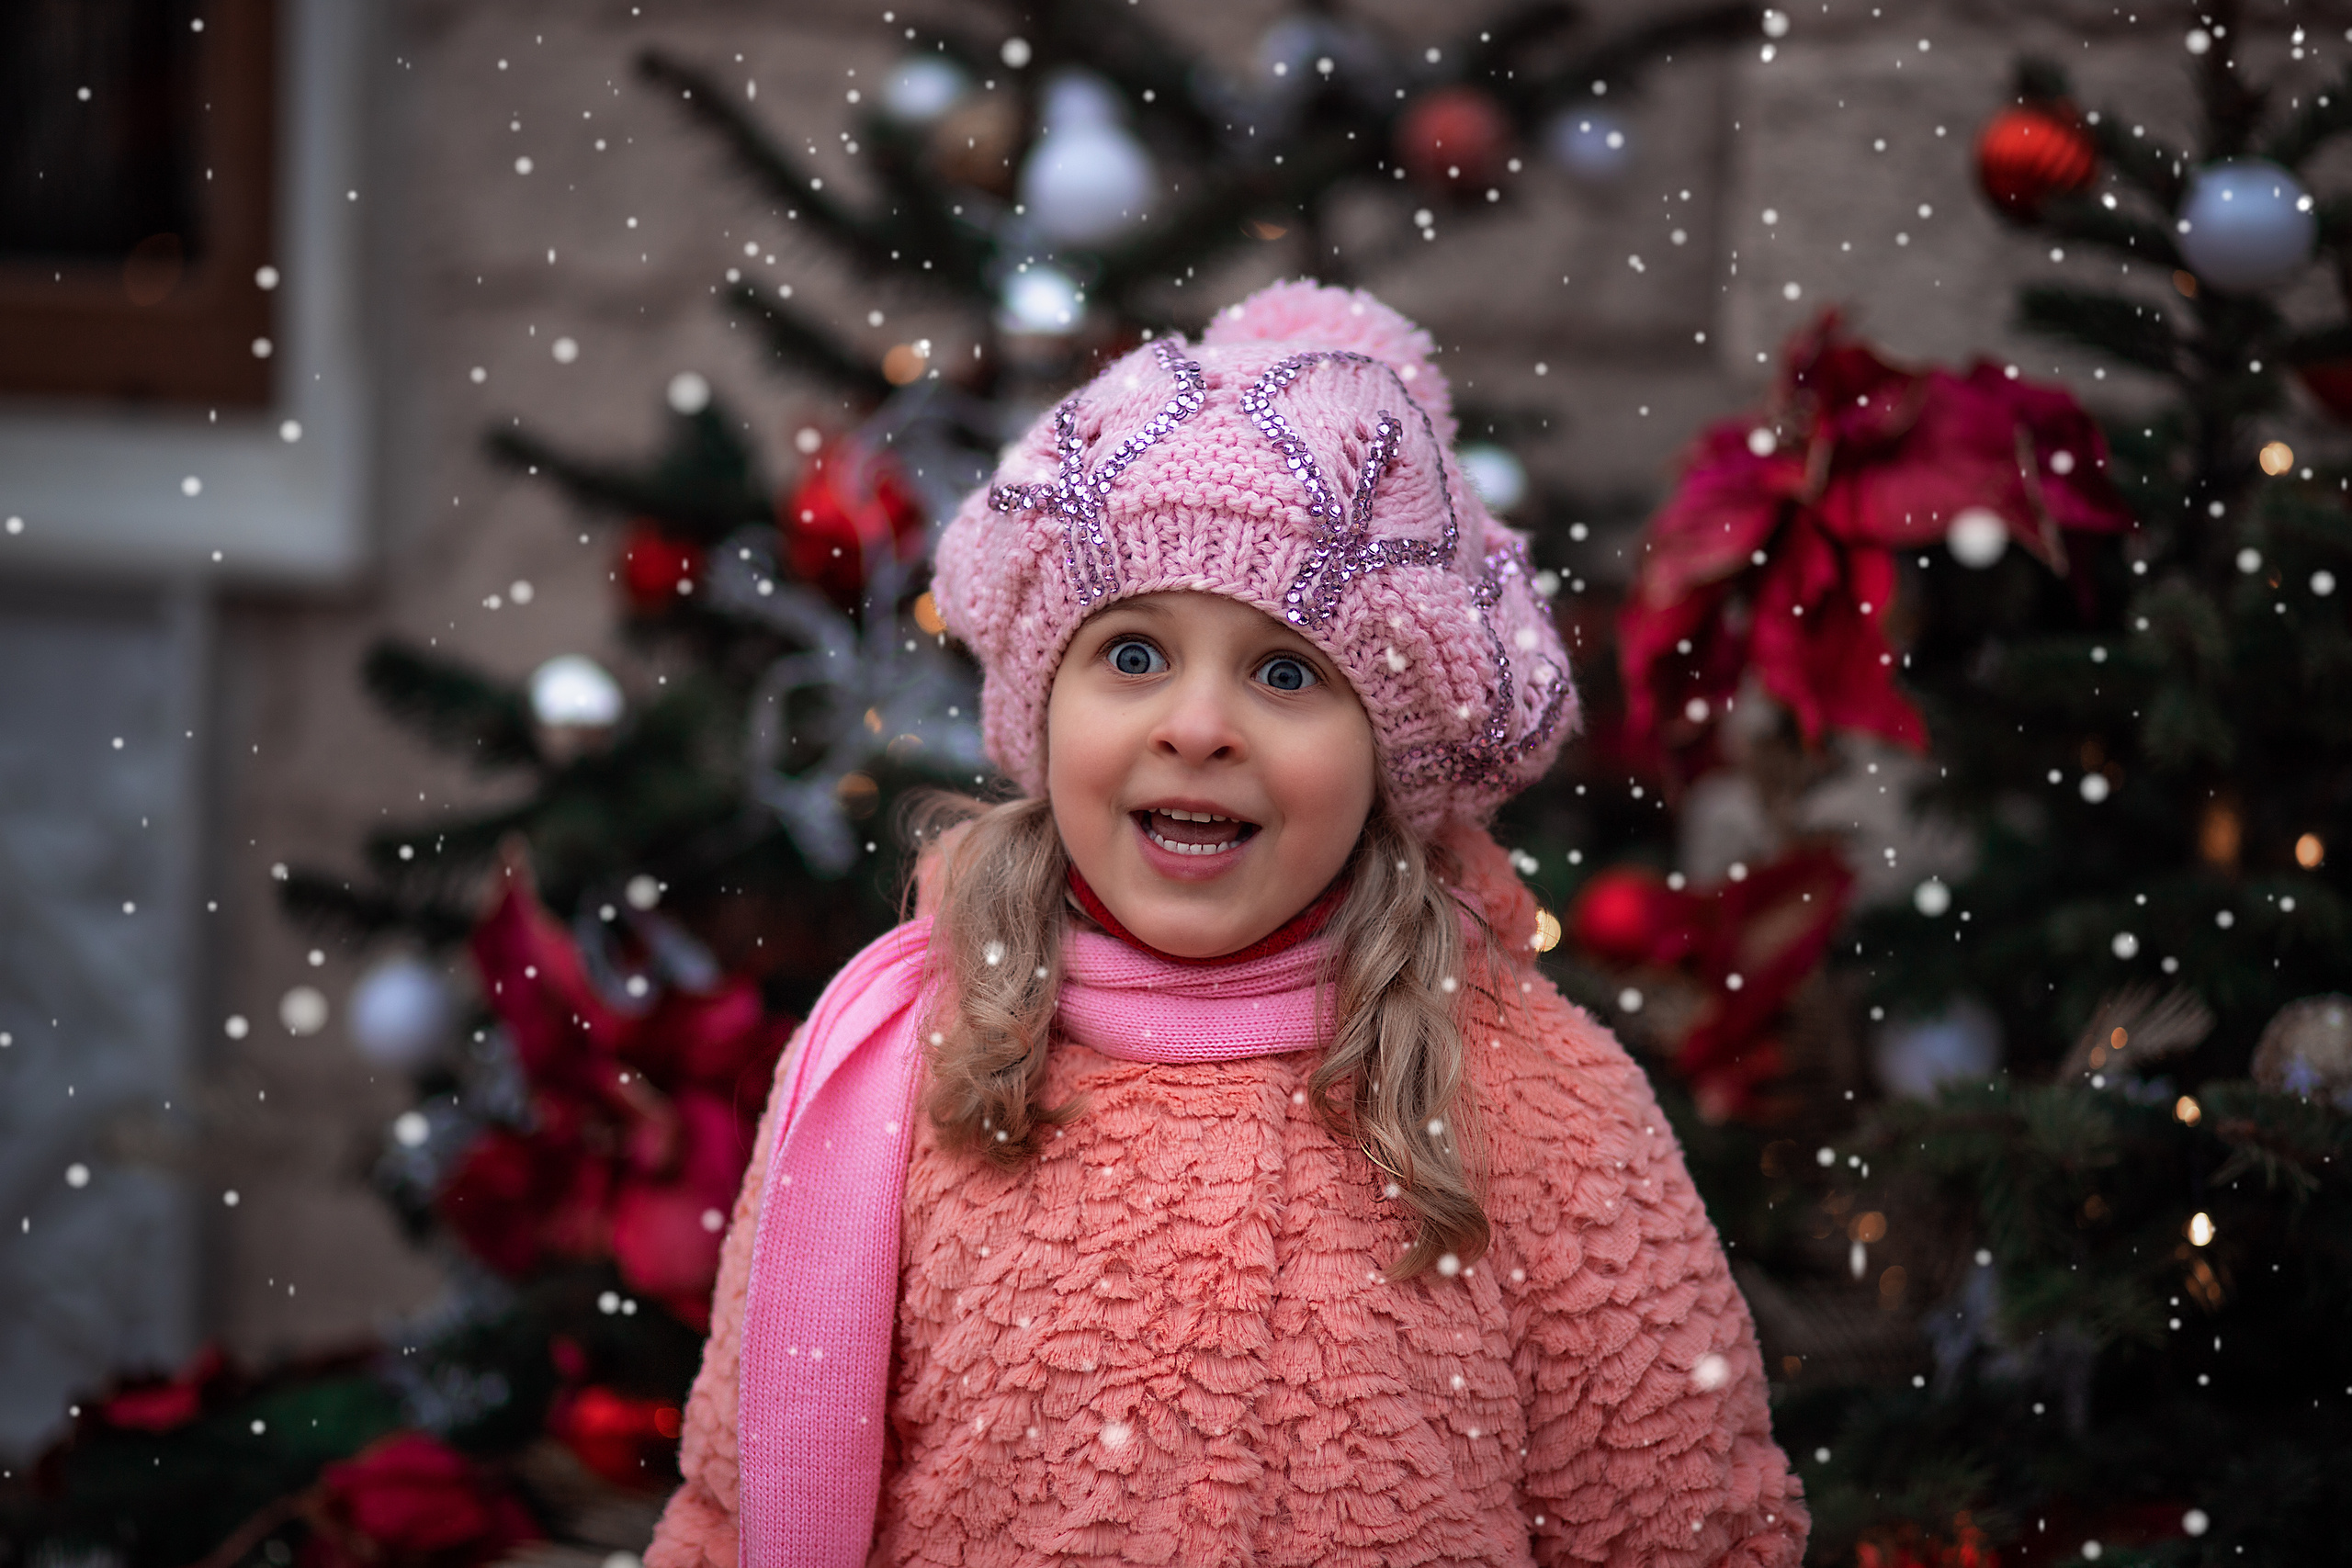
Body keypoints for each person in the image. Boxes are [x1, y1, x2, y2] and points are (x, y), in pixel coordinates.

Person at [647, 281, 1808, 1567]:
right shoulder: (904, 1064)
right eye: (1133, 655)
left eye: (1285, 671)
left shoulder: (1537, 1100)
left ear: (1392, 753)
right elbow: (730, 1506)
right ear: (1044, 708)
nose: (1197, 726)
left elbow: (1689, 1527)